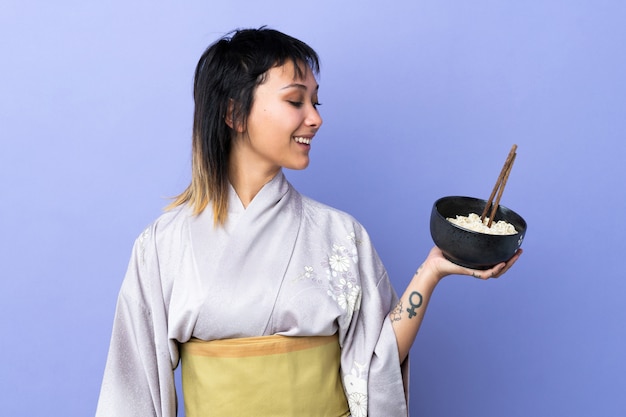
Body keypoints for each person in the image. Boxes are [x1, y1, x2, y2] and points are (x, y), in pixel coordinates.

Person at [95, 27, 521, 417]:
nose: (315, 118)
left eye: (315, 102)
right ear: (234, 114)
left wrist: (431, 271)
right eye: (295, 100)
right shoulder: (162, 245)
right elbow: (130, 390)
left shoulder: (341, 234)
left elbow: (376, 363)